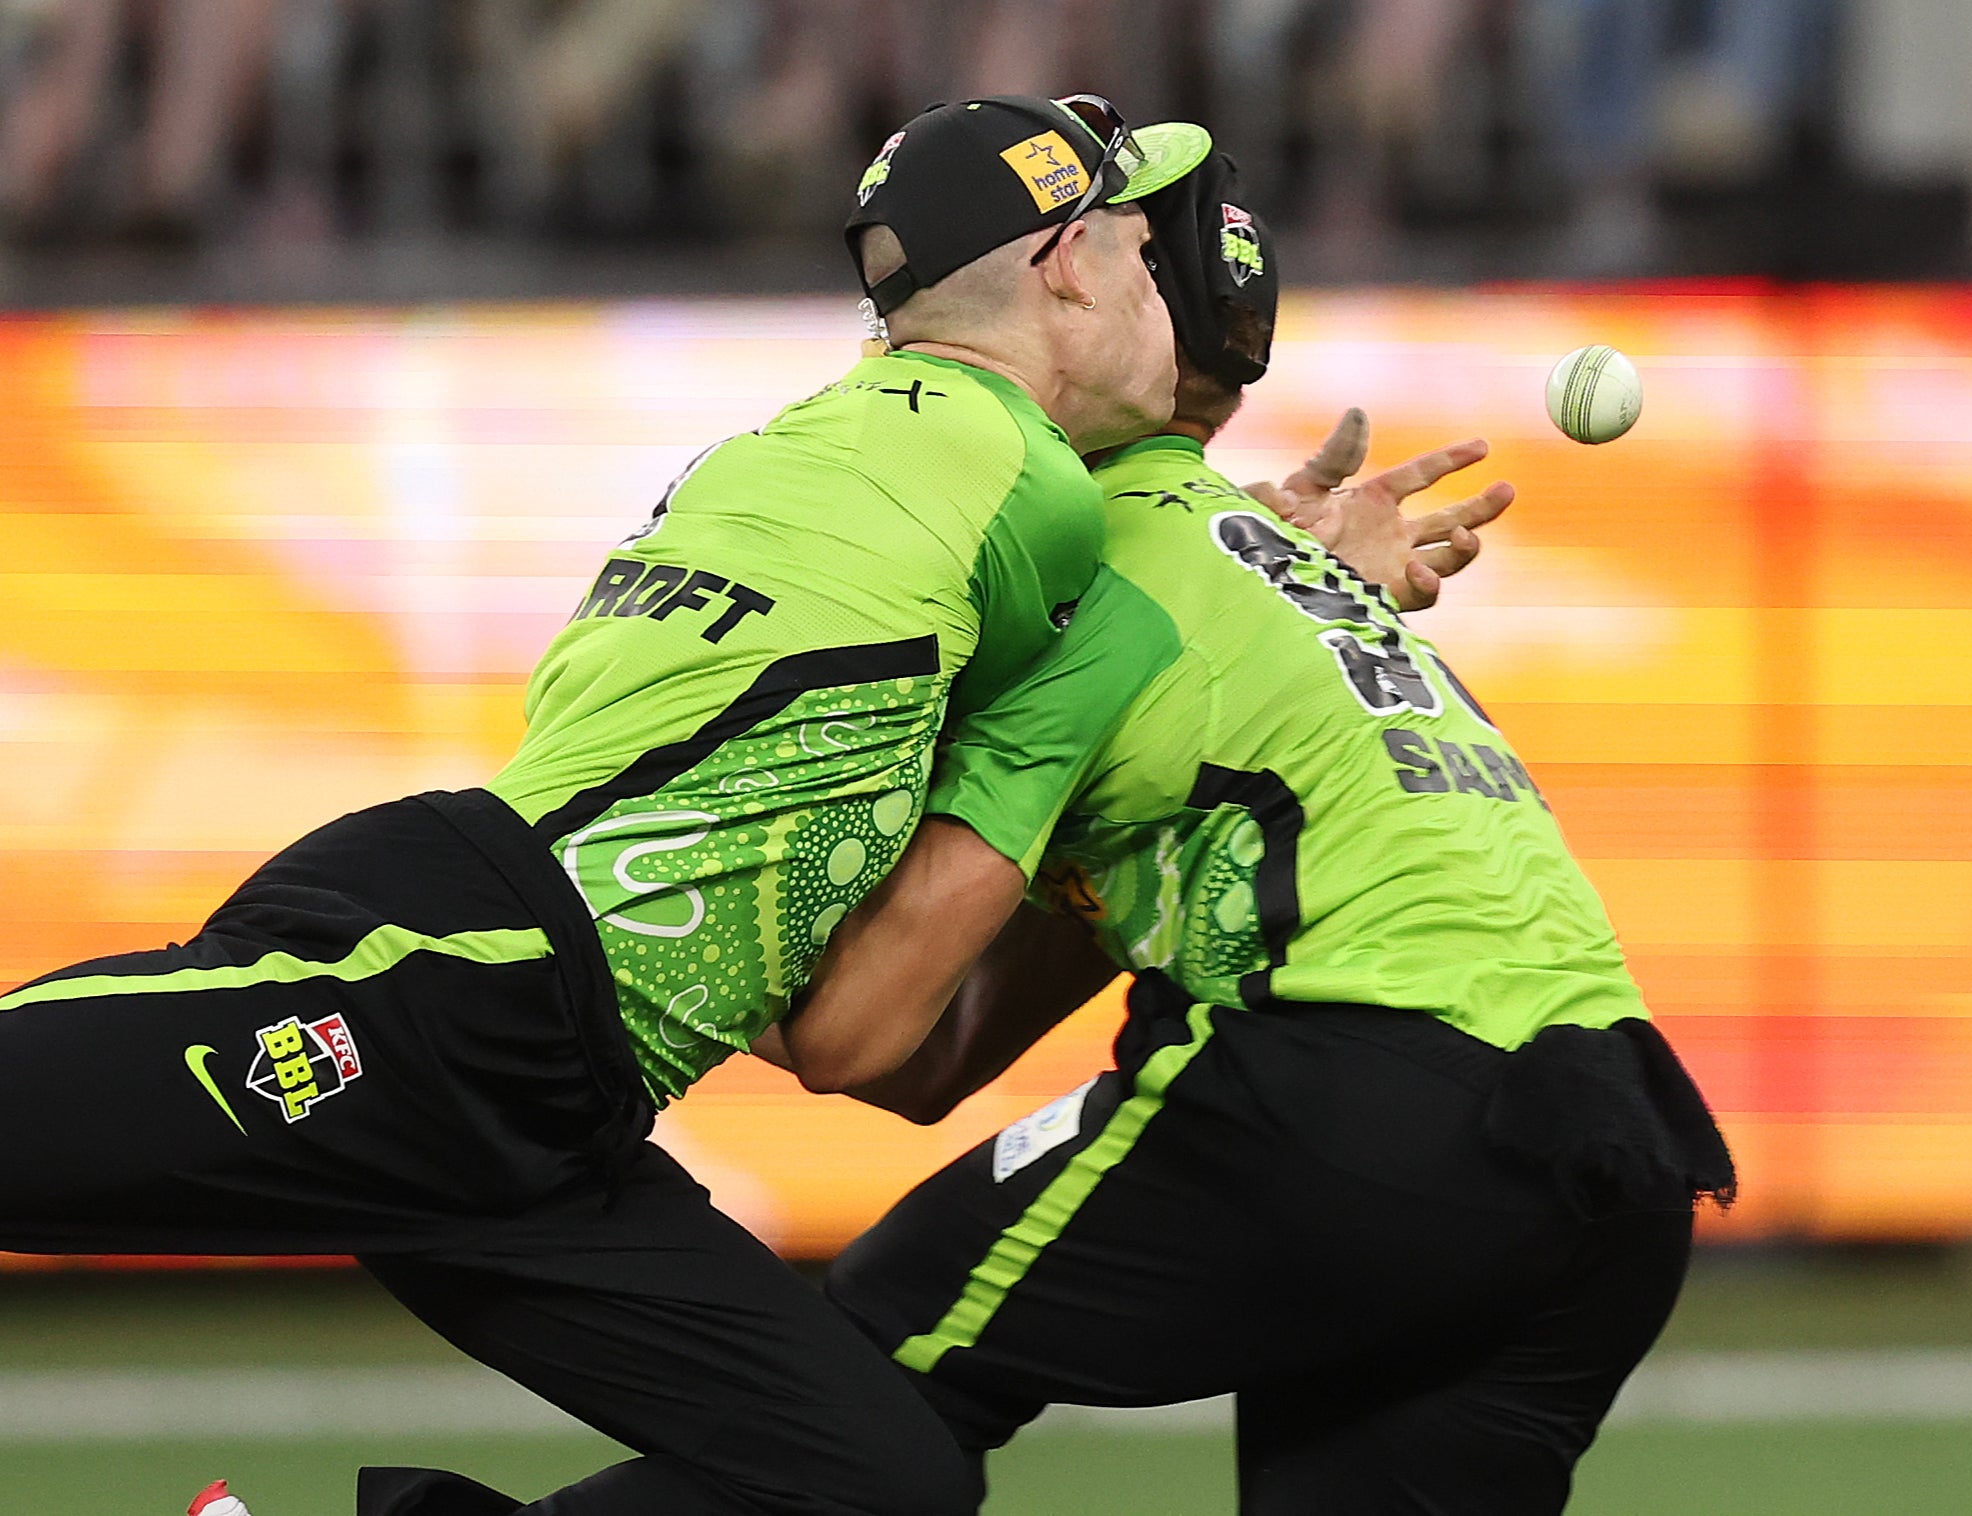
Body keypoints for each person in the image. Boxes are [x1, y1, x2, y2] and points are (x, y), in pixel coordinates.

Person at [0, 94, 1193, 1516]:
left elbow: (852, 1028)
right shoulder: (1018, 485)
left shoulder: (835, 444)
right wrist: (1280, 559)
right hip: (462, 984)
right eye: (1139, 253)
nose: (1164, 298)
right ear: (1062, 263)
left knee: (880, 1488)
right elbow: (1155, 588)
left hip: (563, 1091)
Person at [792, 150, 1738, 1515]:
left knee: (839, 1383)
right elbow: (932, 1054)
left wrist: (663, 946)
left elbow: (873, 1038)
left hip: (1357, 1098)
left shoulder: (1056, 553)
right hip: (1617, 1132)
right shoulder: (1269, 568)